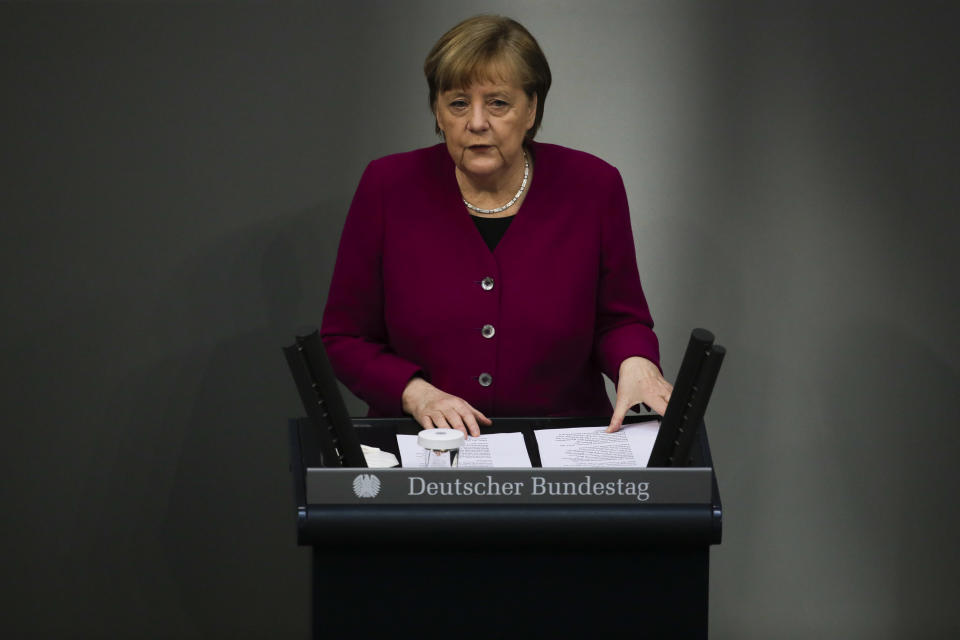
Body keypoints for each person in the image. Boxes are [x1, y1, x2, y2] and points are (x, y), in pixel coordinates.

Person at [321, 15, 673, 437]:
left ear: (531, 109)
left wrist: (637, 364)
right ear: (438, 110)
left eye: (498, 103)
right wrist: (416, 394)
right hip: (426, 446)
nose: (476, 122)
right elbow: (345, 337)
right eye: (457, 103)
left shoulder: (594, 186)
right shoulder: (387, 186)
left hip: (562, 447)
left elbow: (620, 320)